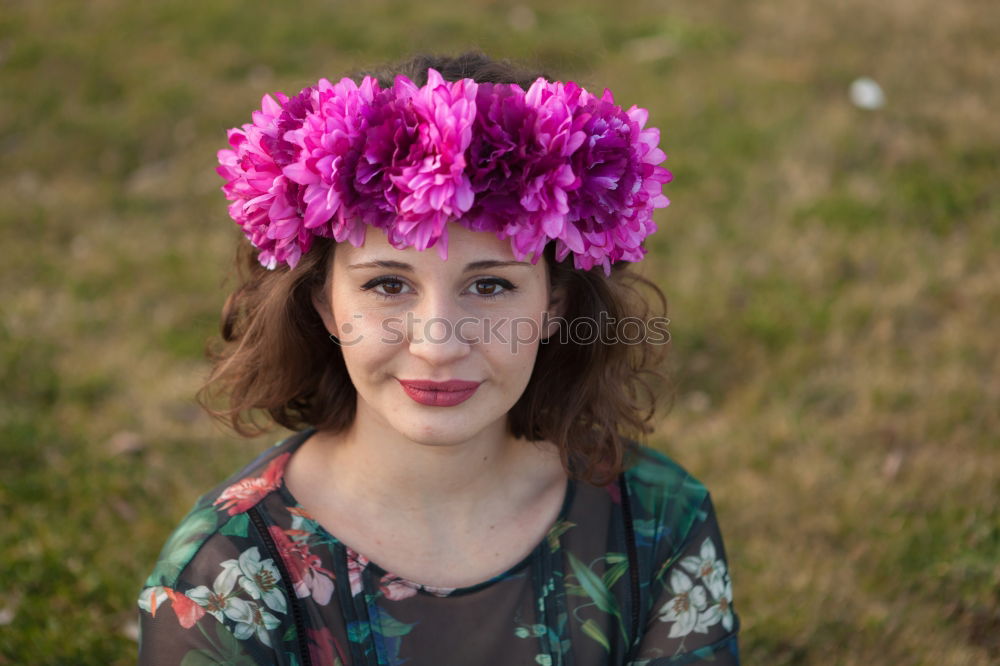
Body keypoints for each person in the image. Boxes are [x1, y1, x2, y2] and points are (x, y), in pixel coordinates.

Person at [136, 52, 740, 665]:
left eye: (490, 286)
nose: (438, 344)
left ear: (554, 304)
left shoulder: (660, 521)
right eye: (388, 286)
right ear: (323, 304)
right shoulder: (226, 579)